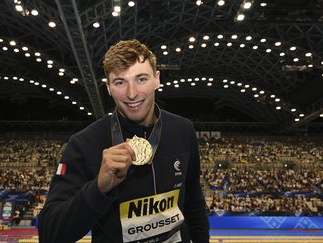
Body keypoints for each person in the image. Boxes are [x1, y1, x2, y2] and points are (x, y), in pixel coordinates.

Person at [38, 39, 210, 243]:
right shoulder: (84, 143)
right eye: (120, 82)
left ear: (157, 79)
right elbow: (50, 233)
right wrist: (98, 189)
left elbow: (193, 202)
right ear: (109, 87)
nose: (132, 93)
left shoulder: (182, 130)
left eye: (141, 79)